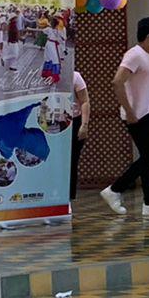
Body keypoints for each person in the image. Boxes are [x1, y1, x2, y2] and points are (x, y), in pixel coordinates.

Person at [103, 17, 149, 217]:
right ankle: (115, 190)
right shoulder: (134, 55)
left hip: (148, 112)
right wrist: (130, 111)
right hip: (136, 116)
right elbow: (117, 82)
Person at [70, 69, 90, 200]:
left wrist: (84, 125)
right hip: (51, 122)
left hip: (74, 121)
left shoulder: (75, 76)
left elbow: (84, 101)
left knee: (72, 160)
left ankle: (69, 197)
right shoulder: (45, 76)